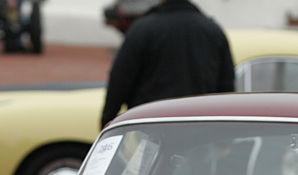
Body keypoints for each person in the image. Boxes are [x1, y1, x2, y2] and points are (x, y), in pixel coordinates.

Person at [100, 0, 234, 129]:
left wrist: (107, 123)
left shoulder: (142, 30)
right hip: (201, 130)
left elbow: (120, 82)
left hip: (152, 128)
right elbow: (226, 87)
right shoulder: (213, 30)